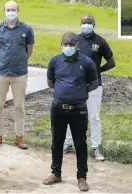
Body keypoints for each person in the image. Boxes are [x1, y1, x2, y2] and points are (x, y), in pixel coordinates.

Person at [43, 32, 98, 192]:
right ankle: (56, 173)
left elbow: (93, 84)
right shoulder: (54, 61)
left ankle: (82, 177)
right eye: (65, 44)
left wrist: (78, 92)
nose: (68, 47)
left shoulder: (87, 63)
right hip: (58, 108)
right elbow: (51, 82)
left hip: (79, 110)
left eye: (71, 44)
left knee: (80, 144)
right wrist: (64, 92)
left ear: (77, 45)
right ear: (61, 44)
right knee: (57, 142)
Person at [63, 14, 116, 161]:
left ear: (94, 24)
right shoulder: (74, 40)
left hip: (94, 85)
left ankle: (96, 147)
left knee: (94, 116)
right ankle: (68, 144)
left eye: (89, 22)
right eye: (84, 22)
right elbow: (67, 59)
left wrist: (97, 71)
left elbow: (112, 62)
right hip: (76, 85)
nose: (86, 24)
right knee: (70, 114)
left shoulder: (100, 41)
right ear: (80, 23)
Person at [0, 0, 35, 149]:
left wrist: (19, 61)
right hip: (1, 72)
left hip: (19, 73)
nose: (11, 12)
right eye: (8, 9)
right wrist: (2, 61)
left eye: (13, 9)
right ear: (4, 11)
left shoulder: (26, 29)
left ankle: (19, 137)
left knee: (19, 106)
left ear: (18, 11)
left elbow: (29, 50)